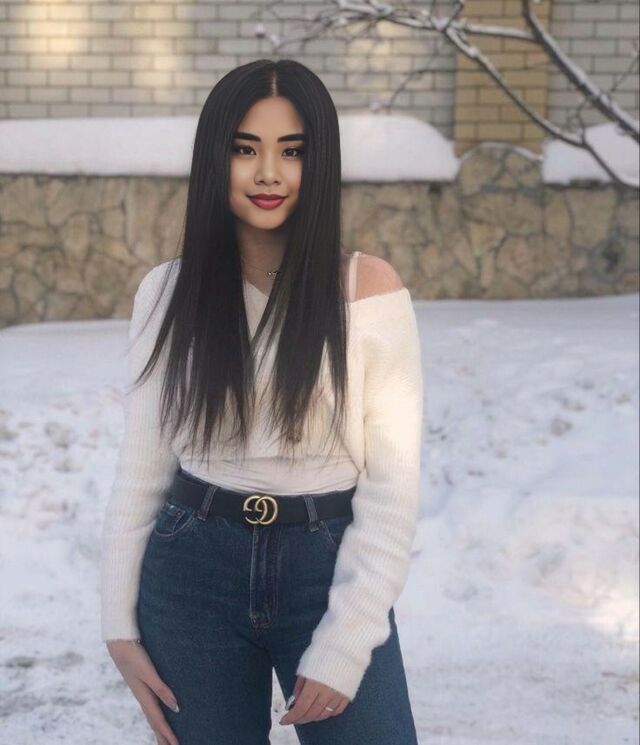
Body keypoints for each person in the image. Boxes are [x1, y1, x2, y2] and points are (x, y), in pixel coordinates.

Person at [101, 58, 423, 745]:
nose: (268, 173)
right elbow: (142, 465)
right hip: (191, 572)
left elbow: (393, 486)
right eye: (245, 149)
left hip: (326, 564)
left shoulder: (367, 290)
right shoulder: (167, 292)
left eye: (292, 151)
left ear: (320, 162)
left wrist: (346, 642)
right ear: (215, 159)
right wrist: (118, 626)